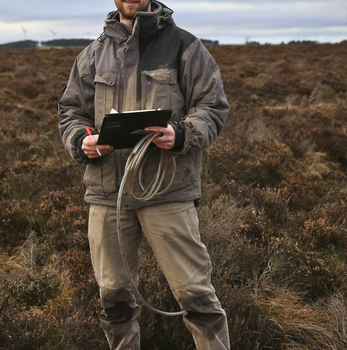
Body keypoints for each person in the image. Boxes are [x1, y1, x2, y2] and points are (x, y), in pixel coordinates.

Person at [58, 1, 230, 349]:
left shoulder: (185, 46)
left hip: (167, 193)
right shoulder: (91, 56)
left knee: (196, 296)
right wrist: (82, 141)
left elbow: (212, 108)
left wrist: (181, 134)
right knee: (115, 300)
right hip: (107, 196)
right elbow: (71, 112)